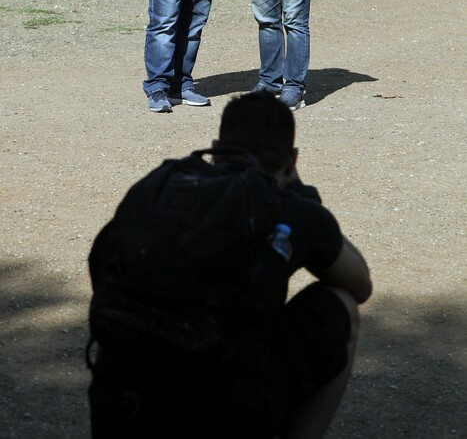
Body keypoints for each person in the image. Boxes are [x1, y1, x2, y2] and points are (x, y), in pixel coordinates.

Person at [87, 91, 372, 439]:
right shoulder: (287, 208)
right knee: (341, 306)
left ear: (217, 147)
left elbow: (101, 268)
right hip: (228, 416)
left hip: (121, 405)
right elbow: (360, 285)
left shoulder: (161, 189)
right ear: (291, 160)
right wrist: (300, 197)